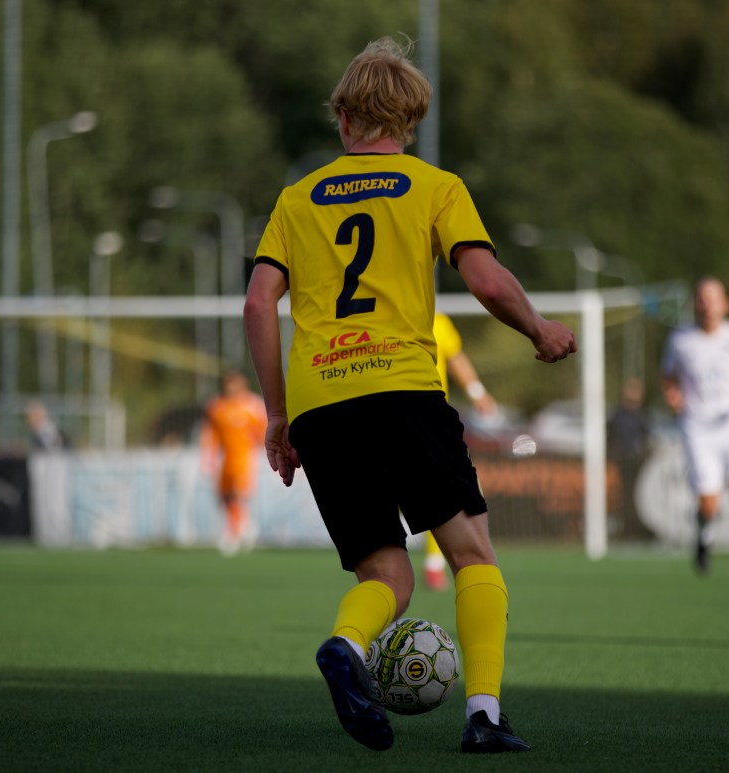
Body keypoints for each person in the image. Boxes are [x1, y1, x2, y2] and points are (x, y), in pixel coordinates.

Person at [243, 36, 577, 754]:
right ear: (411, 122)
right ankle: (484, 716)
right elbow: (486, 281)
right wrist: (539, 327)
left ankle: (346, 642)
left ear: (343, 120)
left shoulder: (297, 199)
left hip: (322, 404)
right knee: (472, 556)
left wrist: (277, 413)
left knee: (387, 572)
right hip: (403, 390)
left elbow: (257, 302)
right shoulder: (435, 187)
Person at [660, 275, 729, 586]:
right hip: (698, 427)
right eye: (702, 299)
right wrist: (672, 395)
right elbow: (667, 377)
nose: (707, 306)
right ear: (694, 304)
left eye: (713, 299)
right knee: (709, 503)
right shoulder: (680, 339)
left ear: (725, 304)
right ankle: (704, 536)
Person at [423, 311, 499, 591]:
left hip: (431, 417)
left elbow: (455, 357)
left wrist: (477, 392)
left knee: (440, 491)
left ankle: (434, 564)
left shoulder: (438, 321)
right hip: (412, 416)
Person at [200, 370, 267, 555]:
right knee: (224, 495)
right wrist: (209, 457)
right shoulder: (217, 406)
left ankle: (234, 533)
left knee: (238, 494)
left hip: (246, 457)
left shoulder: (253, 406)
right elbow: (210, 434)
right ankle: (245, 526)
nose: (230, 387)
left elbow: (263, 431)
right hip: (226, 458)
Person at [606, 377, 652, 540]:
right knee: (624, 498)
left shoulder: (642, 416)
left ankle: (640, 529)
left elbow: (646, 439)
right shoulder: (618, 415)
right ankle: (627, 529)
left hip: (639, 464)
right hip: (623, 463)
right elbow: (610, 437)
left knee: (641, 497)